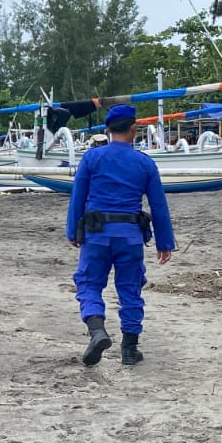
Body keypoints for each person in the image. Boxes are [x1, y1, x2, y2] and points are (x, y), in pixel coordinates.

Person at [65, 104, 175, 367]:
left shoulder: (92, 158)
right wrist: (164, 242)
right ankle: (129, 349)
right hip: (131, 236)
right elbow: (158, 206)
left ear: (108, 130)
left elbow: (77, 198)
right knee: (130, 289)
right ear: (133, 129)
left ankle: (97, 331)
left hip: (96, 234)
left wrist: (72, 231)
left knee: (89, 284)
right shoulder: (145, 163)